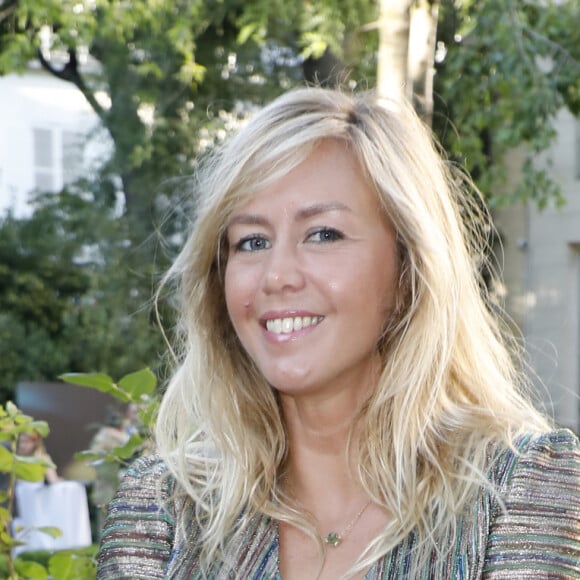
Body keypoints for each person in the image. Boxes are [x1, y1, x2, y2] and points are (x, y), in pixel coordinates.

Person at [97, 87, 580, 579]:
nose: (276, 275)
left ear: (408, 272)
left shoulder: (519, 493)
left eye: (323, 234)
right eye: (252, 241)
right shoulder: (162, 512)